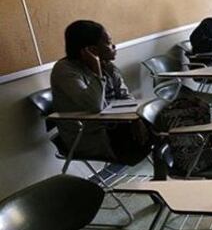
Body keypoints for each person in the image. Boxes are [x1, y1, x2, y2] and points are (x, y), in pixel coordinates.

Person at [50, 20, 150, 165]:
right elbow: (95, 106)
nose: (114, 46)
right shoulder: (65, 70)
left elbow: (126, 97)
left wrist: (137, 118)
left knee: (159, 118)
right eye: (109, 43)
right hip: (89, 135)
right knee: (161, 128)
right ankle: (180, 168)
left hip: (118, 126)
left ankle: (165, 175)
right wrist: (96, 70)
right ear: (92, 50)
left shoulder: (108, 67)